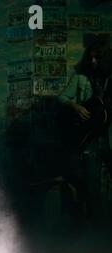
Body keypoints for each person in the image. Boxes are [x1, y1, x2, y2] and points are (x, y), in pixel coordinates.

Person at [57, 35, 112, 217]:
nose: (93, 61)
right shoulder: (81, 77)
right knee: (91, 188)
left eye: (97, 57)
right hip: (89, 140)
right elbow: (62, 97)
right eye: (91, 57)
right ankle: (93, 232)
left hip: (108, 138)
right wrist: (76, 106)